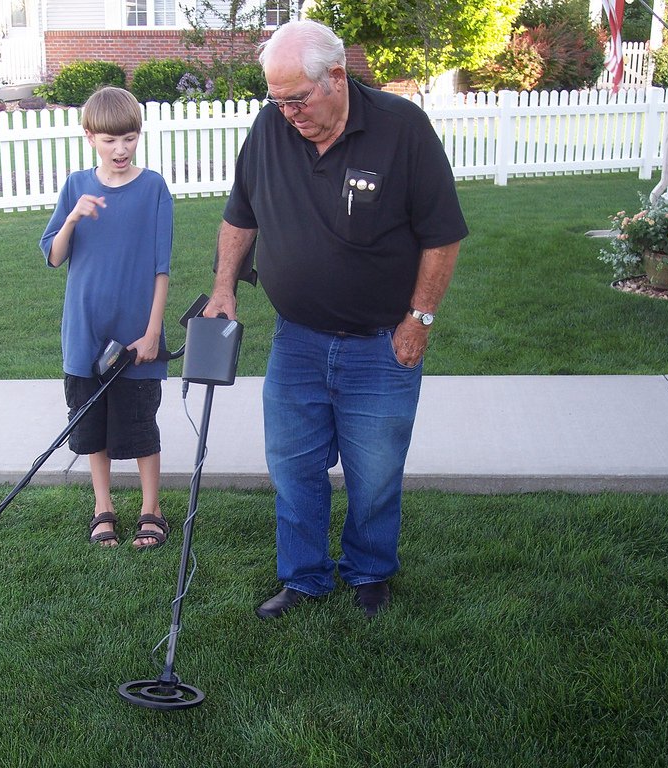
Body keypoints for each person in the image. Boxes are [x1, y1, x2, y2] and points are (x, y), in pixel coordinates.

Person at [205, 20, 468, 619]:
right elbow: (240, 214)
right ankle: (303, 577)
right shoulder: (271, 126)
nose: (287, 112)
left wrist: (419, 320)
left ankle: (370, 571)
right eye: (276, 99)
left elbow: (442, 237)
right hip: (296, 340)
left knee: (374, 474)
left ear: (337, 77)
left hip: (382, 343)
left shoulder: (402, 130)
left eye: (297, 98)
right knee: (293, 468)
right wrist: (224, 288)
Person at [40, 86, 173, 550]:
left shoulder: (153, 187)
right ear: (90, 137)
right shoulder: (76, 187)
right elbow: (54, 257)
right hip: (85, 330)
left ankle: (150, 509)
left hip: (137, 332)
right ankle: (103, 508)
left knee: (140, 425)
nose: (121, 150)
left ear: (139, 135)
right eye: (110, 140)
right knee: (92, 425)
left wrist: (153, 331)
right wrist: (72, 218)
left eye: (130, 139)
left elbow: (161, 267)